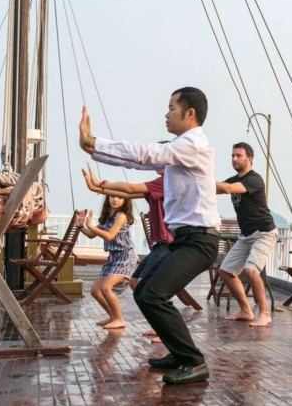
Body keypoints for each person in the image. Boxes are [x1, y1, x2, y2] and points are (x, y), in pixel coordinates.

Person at [79, 86, 221, 385]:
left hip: (199, 241)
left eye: (171, 108)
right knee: (144, 292)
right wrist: (95, 152)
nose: (166, 114)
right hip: (183, 240)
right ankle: (179, 353)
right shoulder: (181, 151)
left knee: (154, 295)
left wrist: (94, 142)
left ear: (190, 113)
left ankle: (194, 362)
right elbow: (137, 162)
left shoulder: (193, 143)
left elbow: (147, 153)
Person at [80, 163, 193, 343]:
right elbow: (127, 192)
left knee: (150, 290)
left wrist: (99, 184)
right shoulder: (163, 183)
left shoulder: (166, 182)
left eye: (162, 158)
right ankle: (158, 326)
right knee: (135, 283)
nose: (156, 161)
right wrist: (97, 187)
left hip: (168, 244)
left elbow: (130, 189)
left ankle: (166, 331)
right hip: (160, 245)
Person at [215, 142, 278, 328]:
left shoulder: (254, 179)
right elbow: (219, 188)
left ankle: (264, 313)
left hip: (264, 233)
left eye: (239, 156)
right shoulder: (234, 179)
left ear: (249, 158)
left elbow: (229, 189)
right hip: (246, 235)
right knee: (225, 271)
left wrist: (205, 181)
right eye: (233, 155)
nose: (234, 159)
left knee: (251, 270)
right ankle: (246, 310)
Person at [78, 195, 136, 330]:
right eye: (112, 196)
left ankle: (119, 319)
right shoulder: (108, 216)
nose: (115, 199)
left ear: (125, 200)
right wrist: (81, 226)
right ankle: (112, 317)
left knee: (105, 288)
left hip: (125, 256)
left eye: (119, 197)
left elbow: (109, 236)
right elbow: (92, 235)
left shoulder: (121, 215)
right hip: (112, 257)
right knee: (95, 291)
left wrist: (90, 225)